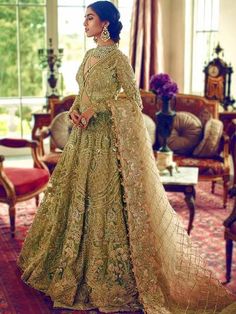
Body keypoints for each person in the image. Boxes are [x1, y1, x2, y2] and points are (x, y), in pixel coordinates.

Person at [18, 1, 236, 313]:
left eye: (89, 19)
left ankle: (110, 274)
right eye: (85, 19)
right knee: (77, 200)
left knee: (105, 204)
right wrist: (75, 111)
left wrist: (98, 109)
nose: (84, 24)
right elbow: (83, 92)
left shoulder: (119, 59)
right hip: (83, 141)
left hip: (106, 143)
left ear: (105, 23)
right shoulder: (89, 55)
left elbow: (132, 100)